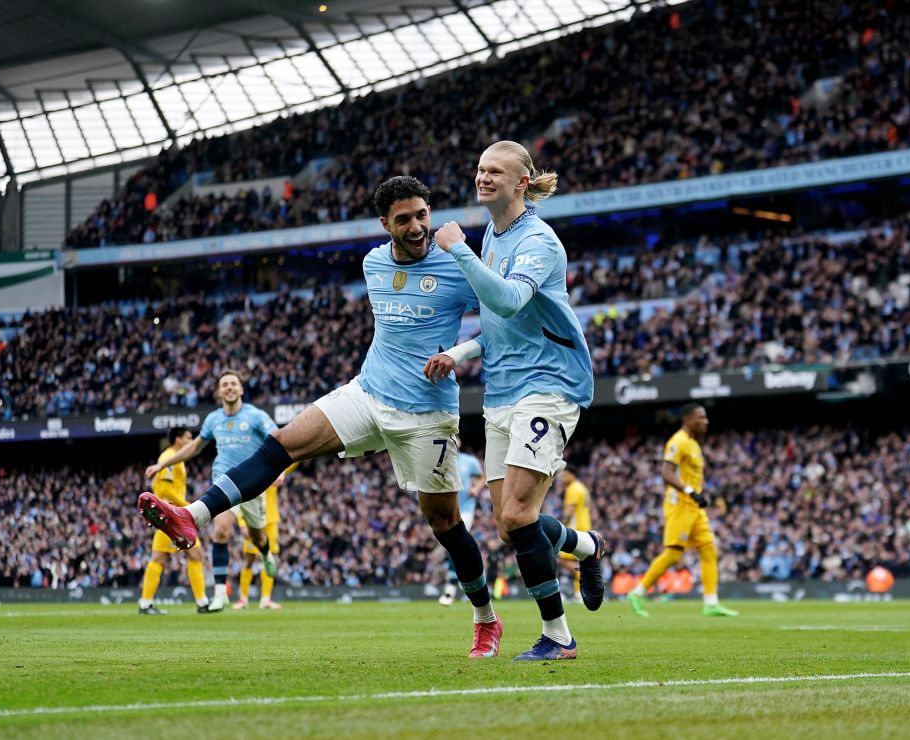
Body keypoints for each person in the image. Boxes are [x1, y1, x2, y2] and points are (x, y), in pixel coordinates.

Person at [138, 176, 506, 657]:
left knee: (445, 524)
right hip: (367, 392)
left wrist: (458, 350)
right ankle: (192, 515)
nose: (417, 227)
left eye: (422, 215)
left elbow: (503, 317)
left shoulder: (457, 264)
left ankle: (485, 619)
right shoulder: (373, 263)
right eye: (403, 220)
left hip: (427, 413)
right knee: (280, 445)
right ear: (384, 224)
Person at [426, 140, 606, 661]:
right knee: (510, 524)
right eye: (480, 169)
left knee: (523, 515)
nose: (483, 178)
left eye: (495, 172)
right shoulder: (492, 239)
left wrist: (457, 248)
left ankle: (558, 636)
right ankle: (587, 547)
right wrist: (458, 351)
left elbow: (508, 298)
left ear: (521, 182)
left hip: (550, 385)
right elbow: (497, 326)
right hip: (503, 389)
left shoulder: (536, 241)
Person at [142, 370, 279, 612]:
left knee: (257, 537)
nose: (229, 387)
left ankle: (266, 553)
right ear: (218, 391)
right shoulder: (213, 419)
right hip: (224, 482)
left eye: (233, 384)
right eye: (224, 384)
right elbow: (194, 447)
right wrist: (163, 464)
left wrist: (280, 469)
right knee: (221, 530)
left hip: (254, 482)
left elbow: (278, 436)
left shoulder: (255, 416)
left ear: (241, 389)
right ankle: (219, 594)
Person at [626, 404, 739, 618]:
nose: (705, 422)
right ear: (688, 419)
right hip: (680, 505)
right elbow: (666, 473)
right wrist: (690, 491)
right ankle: (637, 592)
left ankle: (711, 603)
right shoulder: (678, 441)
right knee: (674, 553)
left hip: (694, 507)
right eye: (701, 417)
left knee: (708, 549)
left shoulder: (693, 444)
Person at [137, 427, 211, 614]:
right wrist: (188, 507)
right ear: (178, 439)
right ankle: (145, 604)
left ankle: (202, 602)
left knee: (195, 554)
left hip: (176, 515)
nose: (191, 440)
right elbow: (166, 491)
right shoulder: (167, 458)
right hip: (168, 516)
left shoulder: (175, 459)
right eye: (188, 437)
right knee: (159, 558)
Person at [233, 463, 298, 610]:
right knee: (249, 559)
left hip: (271, 522)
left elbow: (291, 463)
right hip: (253, 521)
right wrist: (242, 523)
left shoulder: (274, 469)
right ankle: (243, 599)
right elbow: (240, 498)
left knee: (270, 558)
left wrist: (307, 447)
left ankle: (266, 599)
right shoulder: (249, 471)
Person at [439, 439, 485, 606]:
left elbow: (481, 477)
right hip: (447, 509)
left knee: (456, 543)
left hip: (465, 509)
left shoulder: (469, 461)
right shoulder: (441, 459)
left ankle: (450, 589)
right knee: (455, 548)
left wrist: (476, 488)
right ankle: (466, 582)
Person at [558, 466, 593, 605]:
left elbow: (569, 511)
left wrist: (560, 527)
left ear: (572, 474)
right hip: (585, 528)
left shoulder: (572, 489)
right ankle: (579, 593)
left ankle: (580, 589)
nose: (562, 478)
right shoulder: (582, 488)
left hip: (575, 530)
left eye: (564, 475)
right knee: (579, 562)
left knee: (559, 559)